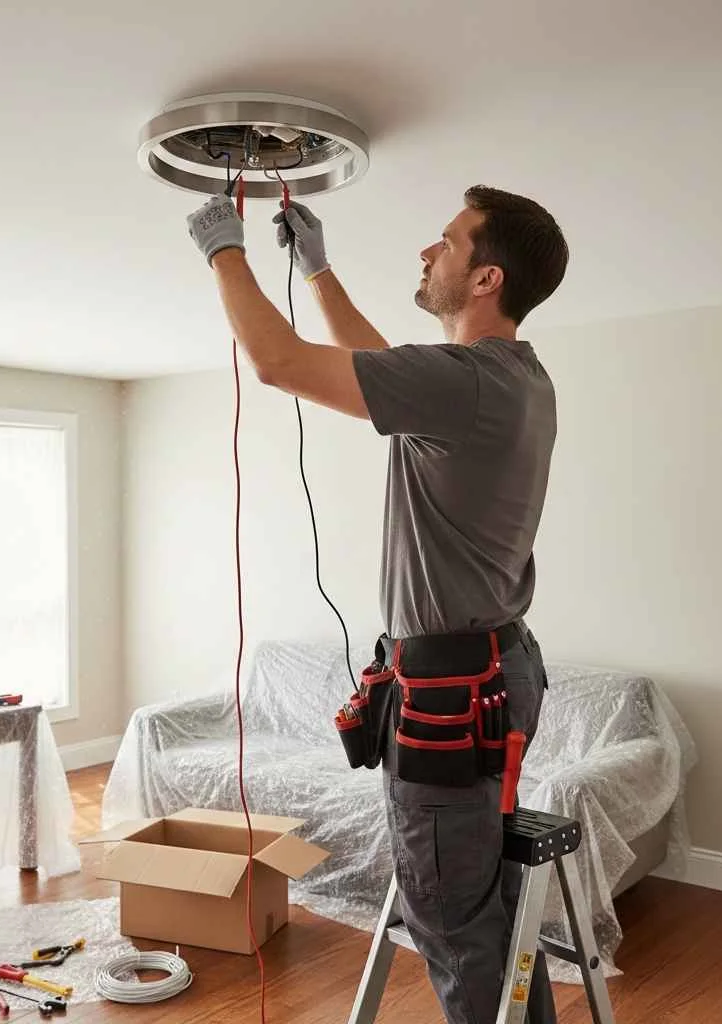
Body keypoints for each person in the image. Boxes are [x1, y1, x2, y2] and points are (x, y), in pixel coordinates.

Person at [186, 184, 568, 1024]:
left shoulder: (469, 385)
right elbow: (387, 374)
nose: (428, 253)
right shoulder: (510, 378)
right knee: (486, 912)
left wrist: (224, 248)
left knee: (452, 922)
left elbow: (279, 363)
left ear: (485, 279)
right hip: (499, 668)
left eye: (448, 242)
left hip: (453, 691)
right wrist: (318, 273)